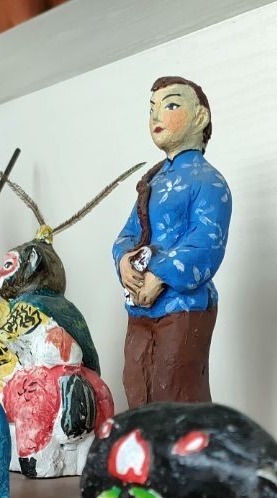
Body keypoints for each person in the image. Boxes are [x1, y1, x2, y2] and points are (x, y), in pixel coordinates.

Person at [111, 76, 232, 408]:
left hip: (183, 307)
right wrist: (124, 260)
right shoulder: (154, 181)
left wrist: (160, 276)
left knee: (175, 390)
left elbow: (207, 243)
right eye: (152, 108)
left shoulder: (208, 181)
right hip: (140, 306)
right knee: (136, 385)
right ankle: (146, 444)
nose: (156, 116)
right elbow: (129, 232)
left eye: (171, 105)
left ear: (200, 117)